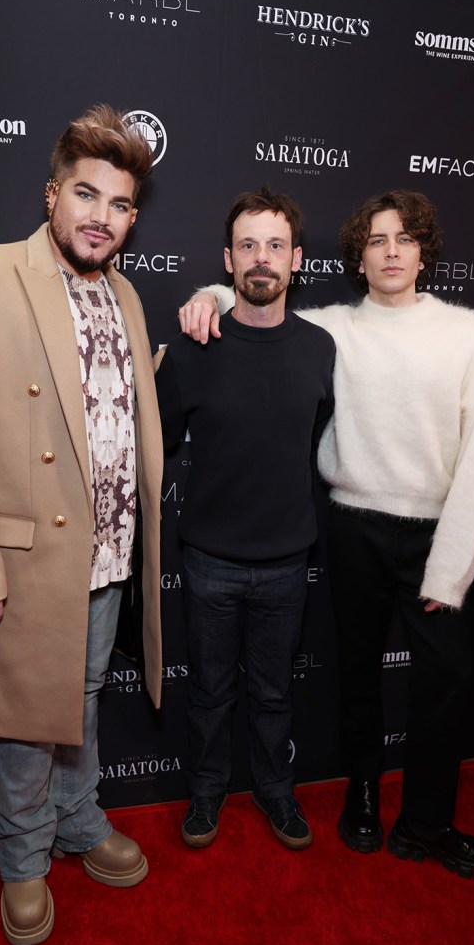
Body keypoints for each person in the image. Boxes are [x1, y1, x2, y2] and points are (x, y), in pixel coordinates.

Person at [178, 189, 474, 881]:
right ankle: (360, 797)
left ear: (424, 252)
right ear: (358, 255)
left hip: (434, 533)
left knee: (444, 682)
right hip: (352, 525)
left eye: (404, 238)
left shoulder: (465, 332)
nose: (391, 250)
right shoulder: (335, 329)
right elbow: (256, 302)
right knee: (355, 680)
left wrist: (451, 568)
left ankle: (428, 821)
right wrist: (207, 294)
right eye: (377, 239)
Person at [0, 104, 164, 945]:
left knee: (82, 699)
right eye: (85, 194)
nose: (101, 216)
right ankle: (21, 854)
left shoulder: (126, 292)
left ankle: (78, 817)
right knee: (26, 716)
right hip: (22, 558)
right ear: (50, 193)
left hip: (108, 553)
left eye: (120, 204)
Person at [155, 187, 335, 851]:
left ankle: (275, 791)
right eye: (249, 245)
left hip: (289, 560)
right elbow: (156, 441)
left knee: (273, 691)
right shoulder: (193, 348)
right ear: (227, 260)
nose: (263, 258)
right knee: (208, 692)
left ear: (297, 261)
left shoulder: (323, 348)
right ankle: (205, 794)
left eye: (276, 245)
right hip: (208, 561)